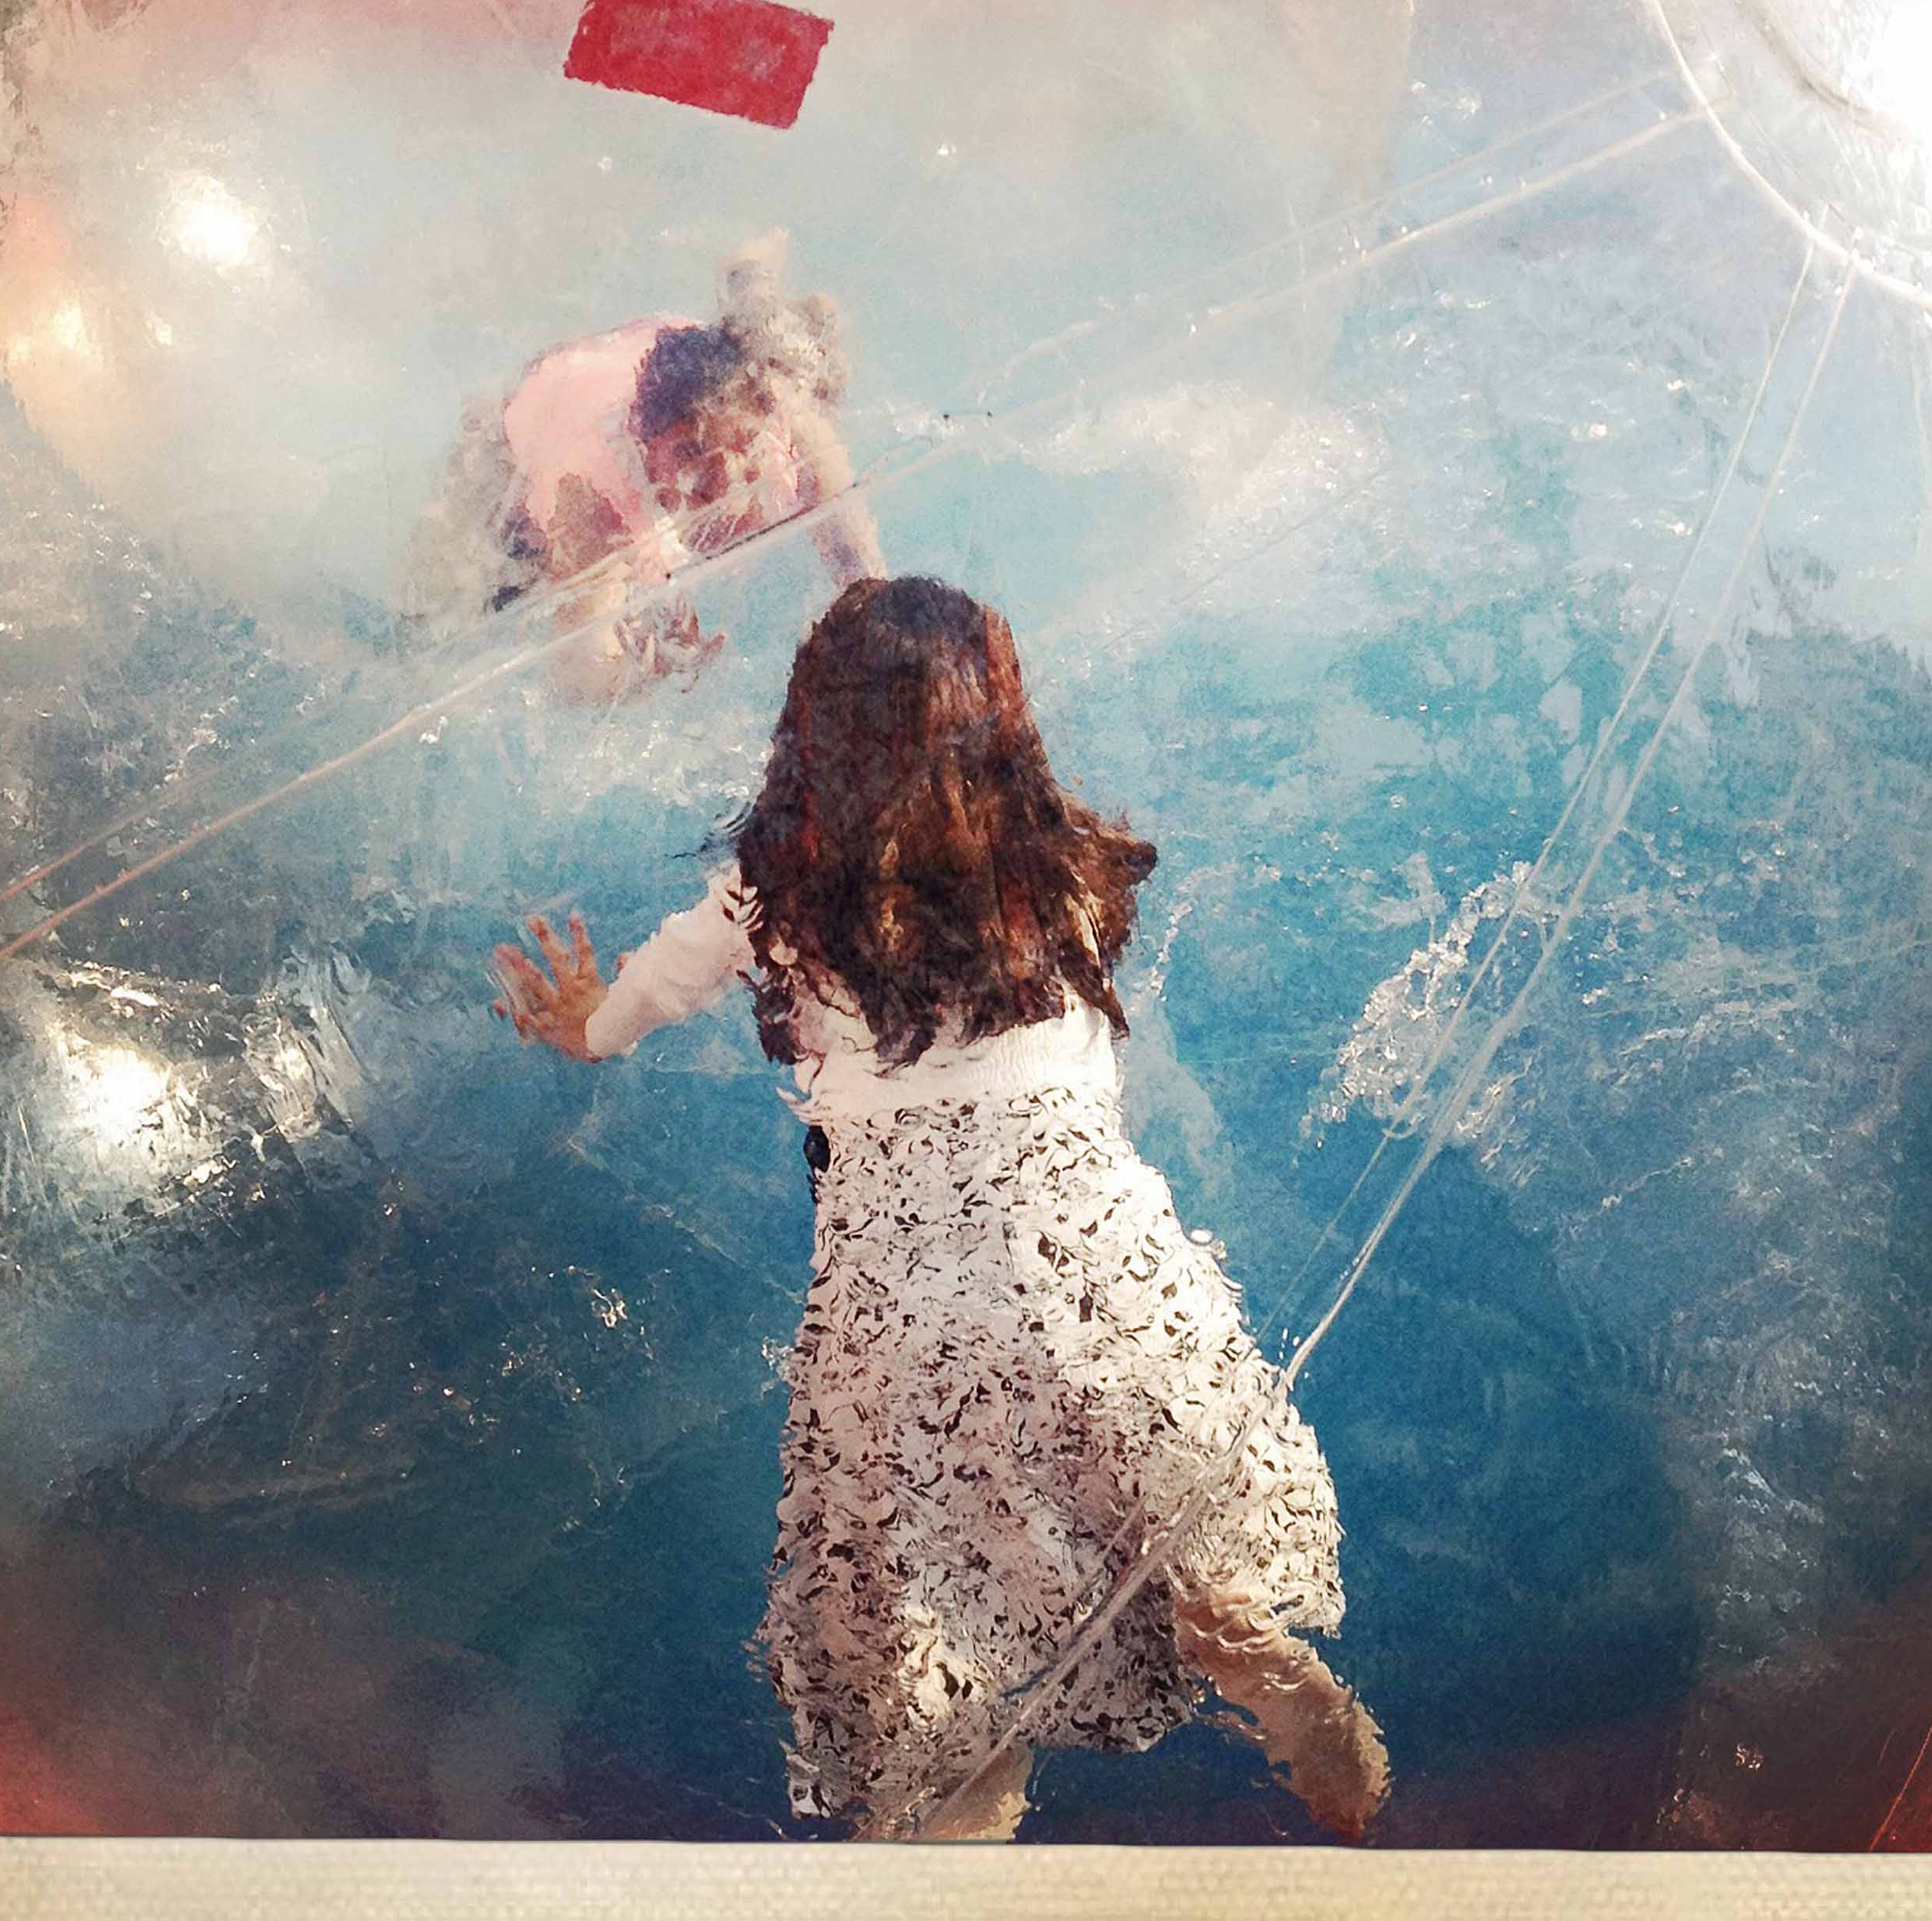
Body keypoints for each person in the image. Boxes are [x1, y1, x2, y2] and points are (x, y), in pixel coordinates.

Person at [489, 578, 1387, 1843]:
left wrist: (575, 1014)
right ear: (1004, 725)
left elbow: (614, 1019)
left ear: (809, 733)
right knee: (1186, 1564)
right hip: (1098, 1264)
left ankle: (961, 1830)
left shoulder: (769, 896)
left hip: (910, 1309)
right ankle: (1292, 1698)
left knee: (930, 1652)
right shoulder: (1068, 868)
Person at [402, 233, 883, 697]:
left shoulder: (787, 419)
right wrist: (639, 673)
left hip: (681, 360)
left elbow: (861, 568)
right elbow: (574, 673)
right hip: (537, 419)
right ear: (647, 447)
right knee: (450, 612)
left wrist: (870, 617)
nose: (723, 482)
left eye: (741, 450)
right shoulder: (590, 500)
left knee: (785, 351)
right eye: (690, 456)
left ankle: (749, 277)